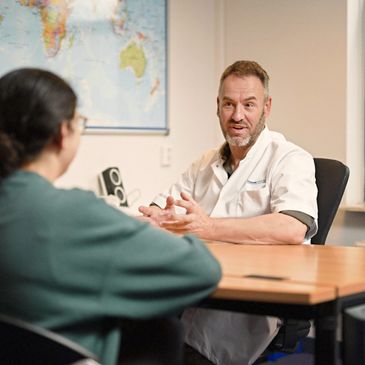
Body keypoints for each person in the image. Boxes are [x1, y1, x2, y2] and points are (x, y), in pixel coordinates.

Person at [0, 68, 222, 365]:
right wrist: (150, 231)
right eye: (80, 122)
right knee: (161, 330)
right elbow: (202, 270)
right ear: (62, 134)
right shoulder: (75, 214)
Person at [139, 60, 318, 365]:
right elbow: (158, 209)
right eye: (229, 104)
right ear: (217, 106)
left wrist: (207, 227)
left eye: (249, 104)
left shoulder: (290, 158)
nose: (237, 116)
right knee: (130, 332)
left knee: (191, 352)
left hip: (254, 298)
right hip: (199, 284)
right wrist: (155, 219)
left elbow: (292, 227)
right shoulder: (205, 162)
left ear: (267, 107)